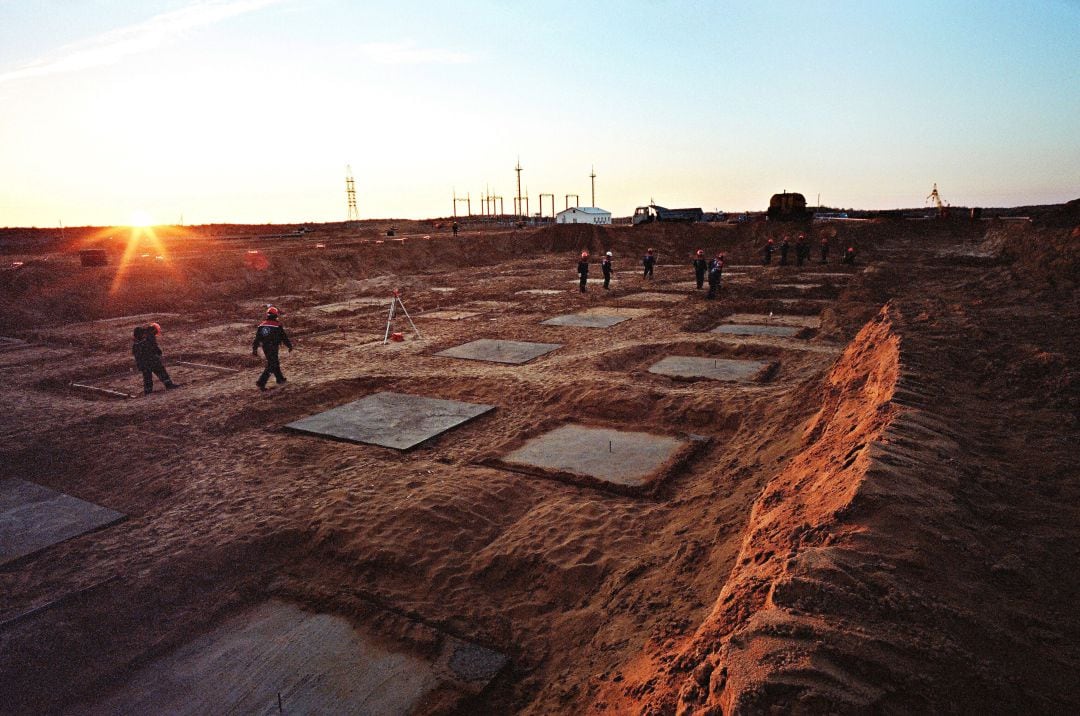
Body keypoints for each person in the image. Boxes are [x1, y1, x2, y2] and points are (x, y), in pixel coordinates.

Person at [252, 306, 293, 390]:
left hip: (265, 347)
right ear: (275, 315)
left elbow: (257, 338)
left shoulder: (261, 325)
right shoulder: (277, 325)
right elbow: (284, 337)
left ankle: (280, 379)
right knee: (272, 364)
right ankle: (261, 382)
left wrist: (254, 349)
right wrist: (289, 345)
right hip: (273, 347)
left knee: (274, 362)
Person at [132, 323, 176, 395]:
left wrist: (140, 365)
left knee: (147, 377)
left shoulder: (136, 343)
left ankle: (148, 391)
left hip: (143, 363)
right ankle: (169, 385)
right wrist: (158, 352)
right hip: (152, 360)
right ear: (154, 330)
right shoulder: (149, 336)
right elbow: (154, 346)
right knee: (161, 372)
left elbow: (136, 355)